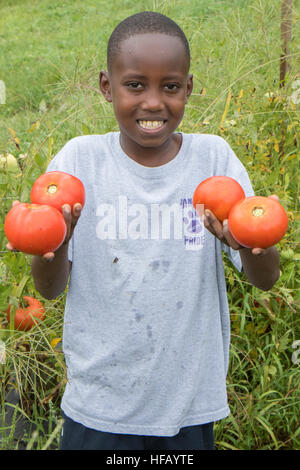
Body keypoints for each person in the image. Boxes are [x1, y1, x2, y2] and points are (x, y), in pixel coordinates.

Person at [7, 11, 280, 450]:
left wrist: (252, 243)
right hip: (99, 402)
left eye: (170, 86)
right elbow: (51, 290)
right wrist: (48, 247)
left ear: (188, 88)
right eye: (135, 85)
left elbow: (264, 278)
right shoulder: (79, 163)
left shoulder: (214, 161)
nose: (153, 102)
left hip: (187, 404)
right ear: (105, 86)